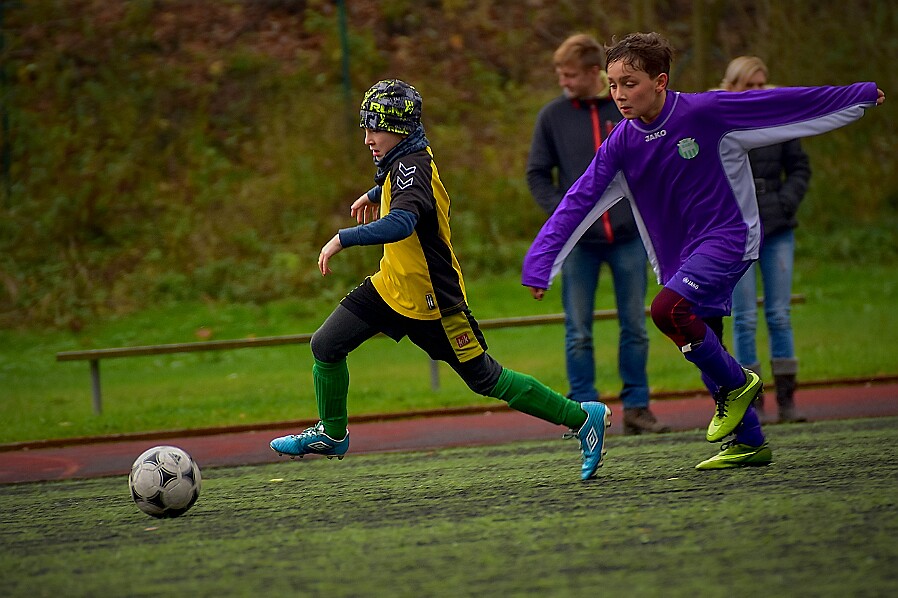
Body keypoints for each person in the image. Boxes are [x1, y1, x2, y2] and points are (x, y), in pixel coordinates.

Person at [522, 32, 885, 469]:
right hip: (679, 256)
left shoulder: (706, 111)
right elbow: (578, 199)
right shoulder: (621, 141)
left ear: (660, 81)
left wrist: (857, 95)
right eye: (613, 83)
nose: (618, 94)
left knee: (665, 311)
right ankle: (748, 441)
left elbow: (783, 103)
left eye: (629, 83)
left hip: (728, 238)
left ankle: (739, 384)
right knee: (703, 343)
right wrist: (541, 260)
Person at [270, 79, 612, 481]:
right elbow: (400, 182)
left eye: (373, 128)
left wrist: (343, 239)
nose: (367, 139)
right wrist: (375, 190)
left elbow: (402, 221)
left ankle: (582, 416)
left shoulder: (412, 167)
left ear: (397, 129)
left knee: (487, 379)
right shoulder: (406, 160)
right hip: (391, 287)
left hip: (434, 301)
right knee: (325, 345)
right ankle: (332, 433)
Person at [527, 33, 668, 436]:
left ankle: (638, 407)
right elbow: (537, 174)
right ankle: (584, 411)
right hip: (579, 246)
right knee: (578, 331)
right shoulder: (551, 117)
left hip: (627, 239)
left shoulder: (628, 108)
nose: (563, 82)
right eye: (559, 75)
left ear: (594, 72)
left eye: (570, 74)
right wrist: (564, 214)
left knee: (635, 326)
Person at [720, 56, 811, 424]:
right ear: (733, 87)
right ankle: (751, 399)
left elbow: (800, 167)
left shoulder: (781, 120)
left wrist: (785, 200)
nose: (757, 91)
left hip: (777, 225)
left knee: (778, 313)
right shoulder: (720, 123)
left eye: (762, 84)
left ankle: (787, 399)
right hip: (736, 229)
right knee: (743, 317)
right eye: (749, 85)